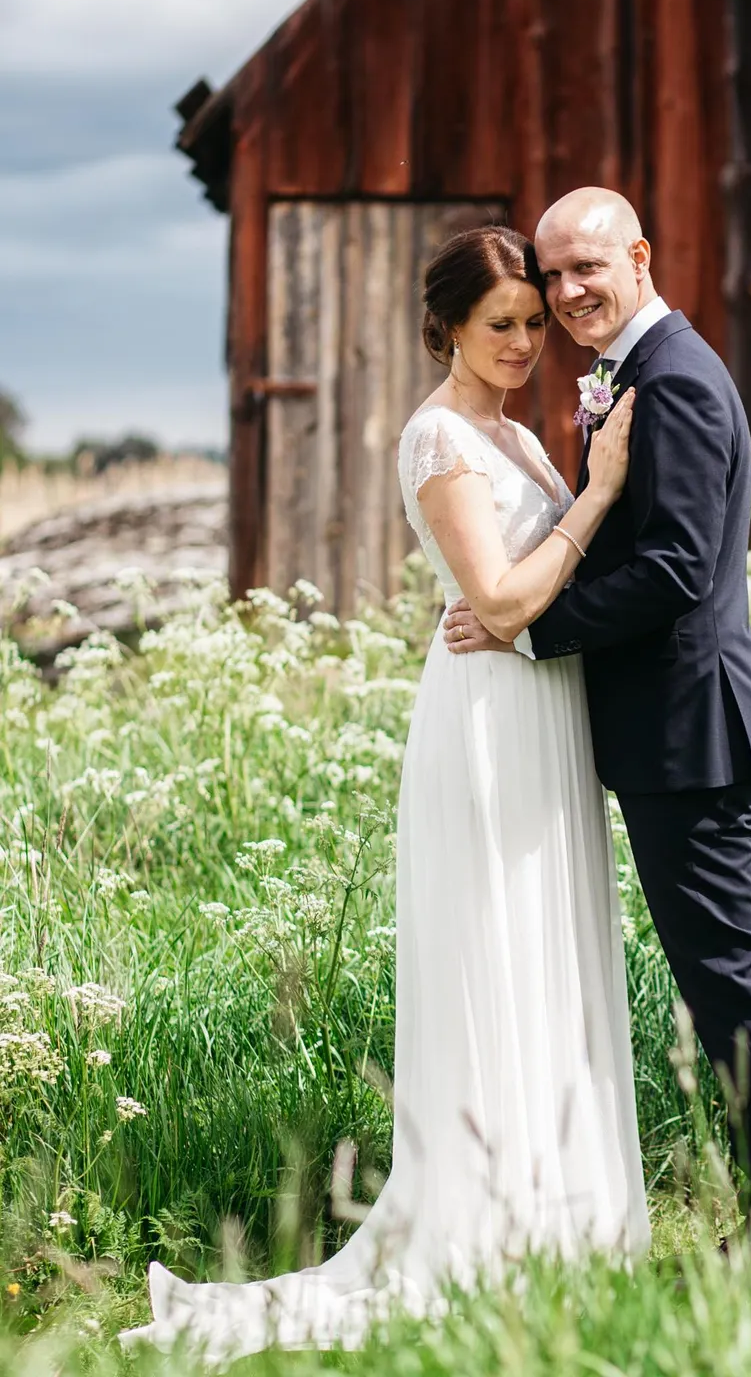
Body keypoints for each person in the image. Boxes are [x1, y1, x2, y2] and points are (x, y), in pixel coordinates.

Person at [121, 225, 649, 1362]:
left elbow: (527, 596)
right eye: (498, 324)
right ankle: (486, 1226)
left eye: (531, 323)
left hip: (545, 711)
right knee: (498, 952)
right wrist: (597, 492)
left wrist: (565, 527)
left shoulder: (511, 430)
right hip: (488, 720)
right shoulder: (437, 437)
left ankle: (562, 1216)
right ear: (447, 325)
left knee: (549, 945)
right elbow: (503, 602)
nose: (521, 343)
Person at [445, 187, 751, 1251]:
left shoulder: (680, 381)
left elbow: (674, 570)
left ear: (641, 256)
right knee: (741, 974)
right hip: (670, 730)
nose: (566, 293)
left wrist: (529, 627)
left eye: (586, 269)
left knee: (734, 983)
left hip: (689, 729)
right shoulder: (638, 373)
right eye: (551, 276)